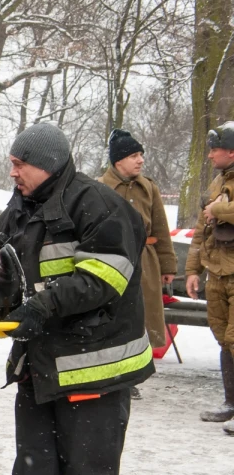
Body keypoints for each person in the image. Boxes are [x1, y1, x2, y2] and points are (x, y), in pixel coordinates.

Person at [0, 122, 151, 475]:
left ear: (50, 163)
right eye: (12, 163)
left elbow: (104, 278)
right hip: (41, 368)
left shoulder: (99, 205)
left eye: (21, 163)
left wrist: (42, 306)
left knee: (88, 473)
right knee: (32, 471)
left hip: (95, 368)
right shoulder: (21, 207)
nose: (12, 171)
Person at [98, 130, 177, 387]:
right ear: (118, 159)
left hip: (145, 263)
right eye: (134, 155)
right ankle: (113, 374)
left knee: (141, 319)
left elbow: (161, 230)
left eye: (141, 154)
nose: (140, 160)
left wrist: (168, 266)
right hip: (112, 260)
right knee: (114, 318)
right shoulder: (99, 188)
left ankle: (132, 376)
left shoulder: (149, 188)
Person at [187, 122, 234, 431]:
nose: (209, 156)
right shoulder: (217, 182)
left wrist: (220, 210)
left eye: (214, 150)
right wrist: (192, 269)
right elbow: (201, 232)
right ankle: (231, 402)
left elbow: (215, 213)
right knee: (222, 338)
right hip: (216, 272)